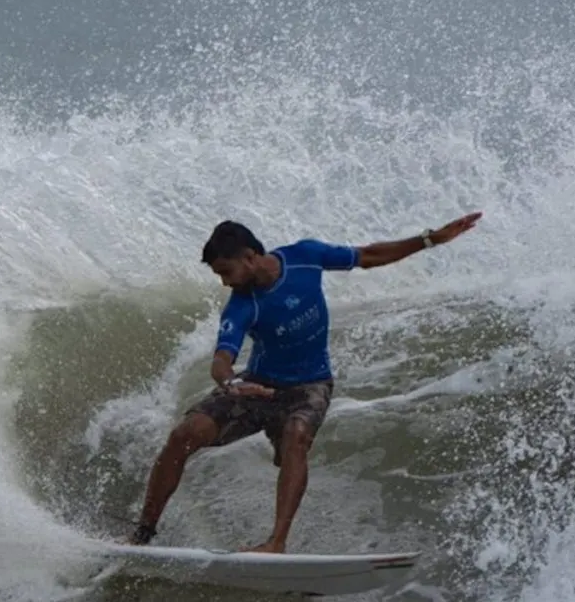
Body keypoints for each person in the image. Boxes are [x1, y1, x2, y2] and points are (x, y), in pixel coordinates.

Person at [126, 211, 483, 553]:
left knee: (296, 438)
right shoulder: (241, 305)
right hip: (258, 386)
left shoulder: (305, 257)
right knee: (183, 435)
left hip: (310, 385)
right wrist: (232, 383)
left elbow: (368, 255)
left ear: (250, 257)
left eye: (226, 271)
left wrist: (430, 239)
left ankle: (275, 544)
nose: (224, 282)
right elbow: (222, 358)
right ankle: (143, 533)